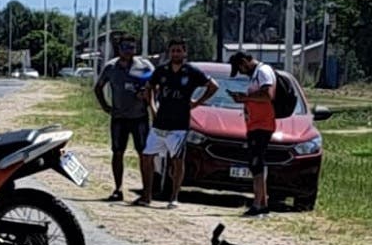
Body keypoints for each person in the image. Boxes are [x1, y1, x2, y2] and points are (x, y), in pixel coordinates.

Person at [135, 39, 218, 208]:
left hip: (179, 125)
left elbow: (213, 86)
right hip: (160, 123)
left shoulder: (192, 72)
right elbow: (149, 86)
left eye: (179, 51)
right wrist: (152, 106)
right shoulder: (162, 70)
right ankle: (147, 195)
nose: (176, 54)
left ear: (185, 53)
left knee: (177, 161)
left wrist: (197, 102)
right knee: (146, 156)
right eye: (173, 51)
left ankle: (174, 197)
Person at [93, 35, 154, 202]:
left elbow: (157, 86)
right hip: (119, 118)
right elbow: (98, 87)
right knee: (117, 152)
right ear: (119, 49)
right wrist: (106, 107)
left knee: (144, 154)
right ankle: (118, 189)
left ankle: (146, 191)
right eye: (126, 47)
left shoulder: (145, 66)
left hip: (140, 117)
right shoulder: (111, 67)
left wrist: (148, 96)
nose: (129, 51)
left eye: (132, 47)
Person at [228, 50, 277, 217]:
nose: (241, 72)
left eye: (240, 68)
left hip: (262, 125)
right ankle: (262, 202)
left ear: (245, 61)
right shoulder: (256, 75)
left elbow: (267, 94)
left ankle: (258, 203)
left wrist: (245, 98)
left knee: (257, 162)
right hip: (254, 125)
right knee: (255, 164)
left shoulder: (263, 71)